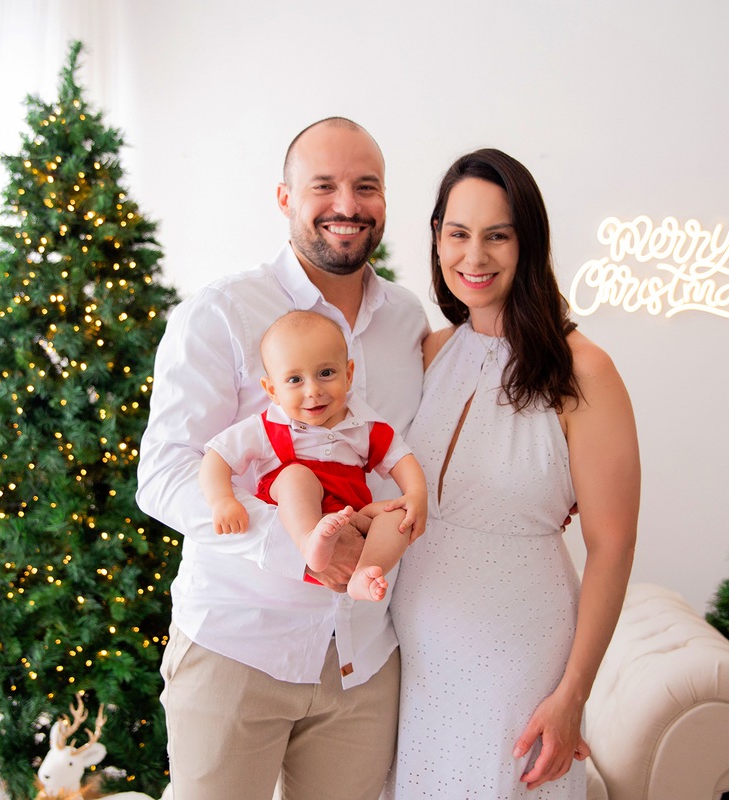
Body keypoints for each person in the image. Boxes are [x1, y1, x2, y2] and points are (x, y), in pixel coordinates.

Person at [135, 118, 429, 800]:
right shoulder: (222, 312)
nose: (347, 205)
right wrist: (299, 545)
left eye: (367, 186)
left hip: (361, 661)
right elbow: (166, 473)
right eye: (323, 185)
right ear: (284, 198)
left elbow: (406, 449)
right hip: (238, 646)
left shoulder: (408, 320)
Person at [388, 149, 640, 798]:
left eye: (498, 235)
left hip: (518, 656)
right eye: (458, 234)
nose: (475, 257)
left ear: (529, 242)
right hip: (412, 661)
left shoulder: (585, 371)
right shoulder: (432, 351)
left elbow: (611, 545)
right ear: (437, 239)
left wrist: (572, 694)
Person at [199, 310, 428, 602]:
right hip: (300, 519)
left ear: (348, 375)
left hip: (351, 517)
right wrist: (222, 500)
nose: (313, 390)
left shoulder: (362, 425)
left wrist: (417, 494)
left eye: (326, 373)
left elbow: (401, 458)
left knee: (397, 516)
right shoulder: (269, 427)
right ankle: (309, 541)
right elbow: (217, 457)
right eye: (294, 379)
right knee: (296, 475)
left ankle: (366, 570)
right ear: (272, 390)